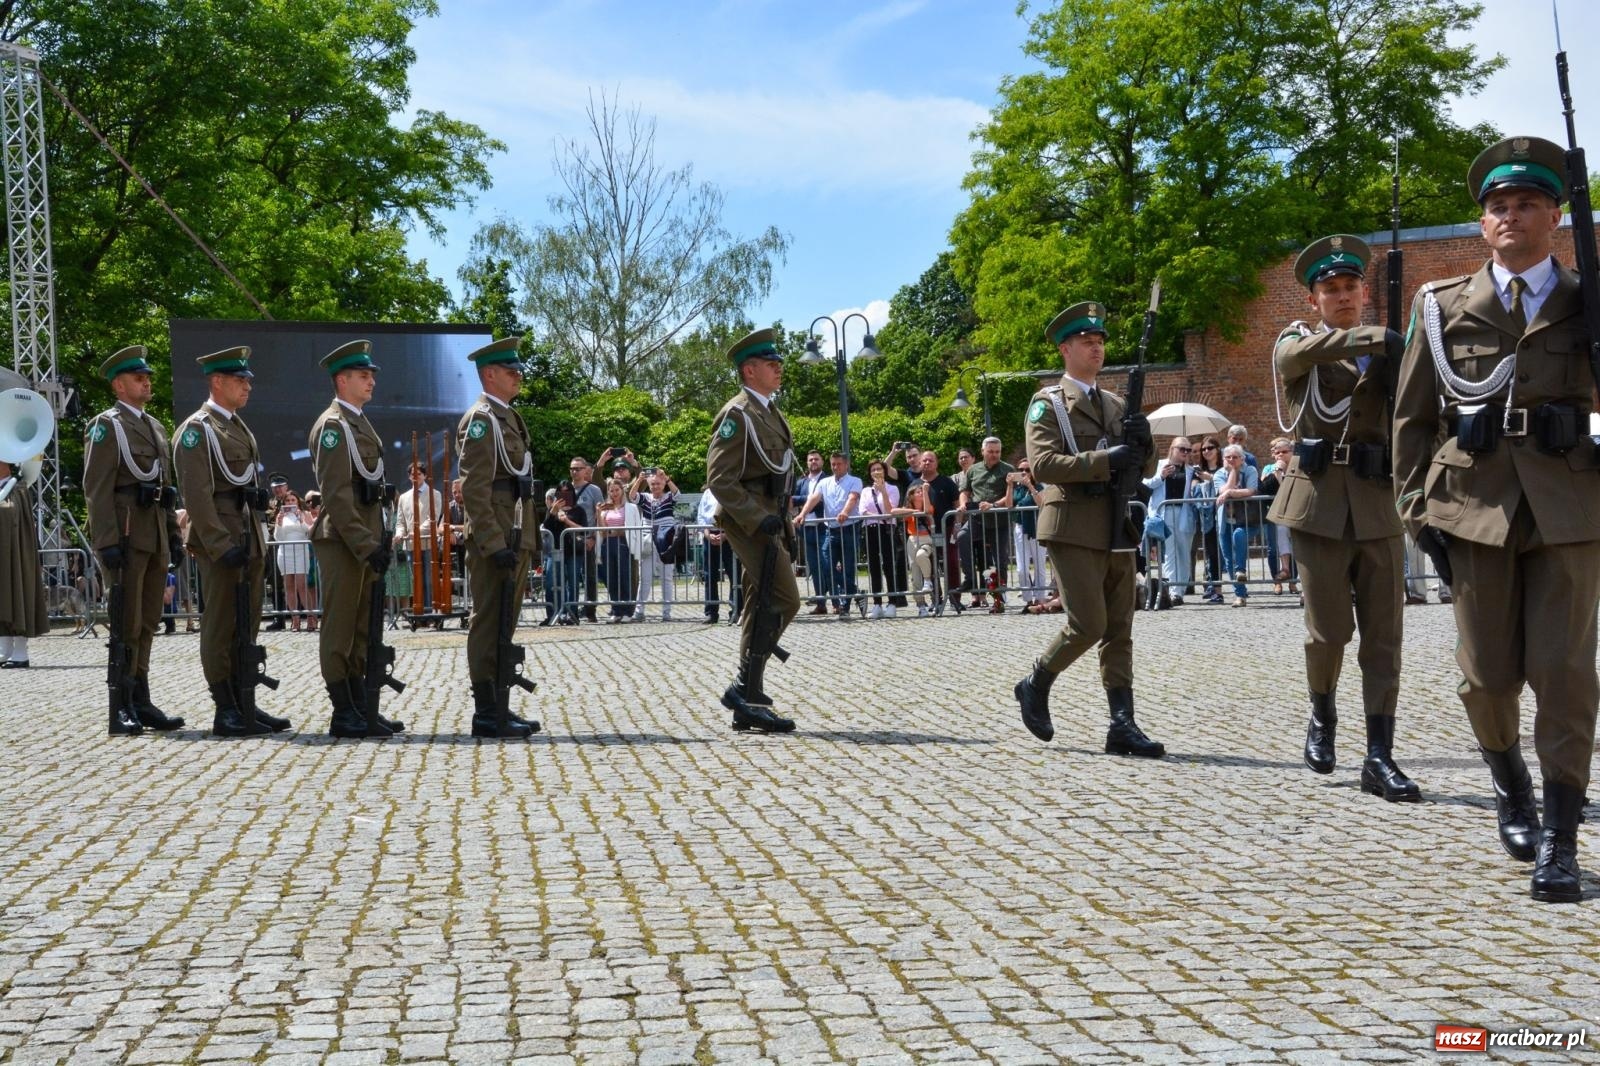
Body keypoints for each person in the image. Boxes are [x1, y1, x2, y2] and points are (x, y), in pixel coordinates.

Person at [1393, 135, 1598, 902]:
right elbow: (1412, 420)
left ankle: (1560, 838)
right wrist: (1416, 510)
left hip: (1570, 508)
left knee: (1566, 675)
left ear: (1555, 217)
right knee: (1485, 678)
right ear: (1483, 224)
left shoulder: (1587, 300)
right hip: (1475, 507)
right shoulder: (1442, 305)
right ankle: (1511, 786)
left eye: (1528, 203)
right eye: (1498, 206)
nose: (1511, 215)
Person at [1272, 235, 1416, 802]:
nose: (1342, 295)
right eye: (1329, 289)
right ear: (1313, 300)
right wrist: (1378, 338)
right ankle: (1322, 713)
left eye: (1351, 286)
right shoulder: (1297, 342)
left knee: (1384, 637)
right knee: (1329, 631)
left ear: (1364, 292)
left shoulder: (1390, 351)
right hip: (1319, 503)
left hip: (1378, 502)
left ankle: (1379, 754)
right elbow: (1292, 359)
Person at [1012, 300, 1163, 756]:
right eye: (1086, 341)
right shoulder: (1048, 404)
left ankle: (1122, 724)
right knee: (1088, 623)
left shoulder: (1116, 404)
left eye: (1099, 341)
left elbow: (1142, 466)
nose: (1096, 348)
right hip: (1071, 523)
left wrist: (1144, 445)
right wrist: (1105, 459)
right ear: (1065, 349)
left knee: (1120, 627)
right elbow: (1043, 464)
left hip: (1116, 523)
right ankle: (1036, 681)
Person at [172, 346, 288, 736]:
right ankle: (225, 707)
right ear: (217, 382)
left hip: (247, 535)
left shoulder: (237, 426)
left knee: (247, 622)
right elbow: (197, 496)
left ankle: (244, 699)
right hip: (221, 541)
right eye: (240, 380)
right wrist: (220, 545)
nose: (247, 386)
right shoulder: (197, 430)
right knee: (221, 624)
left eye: (248, 380)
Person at [81, 346, 185, 731]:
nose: (146, 383)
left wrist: (172, 534)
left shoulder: (155, 427)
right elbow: (96, 488)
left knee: (148, 620)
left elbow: (164, 489)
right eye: (138, 378)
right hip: (125, 535)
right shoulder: (106, 426)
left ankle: (141, 698)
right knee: (126, 620)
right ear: (118, 385)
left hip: (153, 534)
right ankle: (120, 703)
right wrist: (105, 540)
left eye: (147, 377)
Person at [705, 327, 801, 732]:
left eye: (778, 362)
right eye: (770, 363)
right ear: (749, 370)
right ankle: (744, 687)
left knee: (759, 605)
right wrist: (756, 517)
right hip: (751, 521)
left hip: (770, 517)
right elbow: (719, 478)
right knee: (785, 600)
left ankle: (749, 698)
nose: (779, 368)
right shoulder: (737, 414)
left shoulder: (769, 411)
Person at [308, 340, 404, 738]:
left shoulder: (359, 422)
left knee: (363, 626)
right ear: (342, 379)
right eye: (363, 375)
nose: (371, 381)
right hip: (343, 540)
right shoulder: (333, 427)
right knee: (341, 627)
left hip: (365, 537)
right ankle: (343, 709)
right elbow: (336, 495)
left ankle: (361, 704)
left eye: (371, 375)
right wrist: (366, 545)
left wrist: (377, 540)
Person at [457, 335, 541, 738]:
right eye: (511, 371)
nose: (518, 376)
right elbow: (474, 489)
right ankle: (487, 711)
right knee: (489, 620)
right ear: (489, 374)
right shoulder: (481, 420)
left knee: (505, 621)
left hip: (515, 532)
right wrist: (493, 542)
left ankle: (500, 704)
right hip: (496, 537)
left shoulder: (509, 417)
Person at [794, 452, 862, 617]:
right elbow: (813, 499)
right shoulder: (824, 482)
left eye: (839, 464)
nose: (835, 467)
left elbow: (853, 498)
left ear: (846, 465)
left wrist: (845, 512)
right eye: (833, 464)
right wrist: (802, 514)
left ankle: (845, 607)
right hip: (830, 530)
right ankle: (855, 592)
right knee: (825, 566)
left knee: (848, 568)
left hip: (849, 528)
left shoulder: (855, 481)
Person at [959, 436, 1016, 613]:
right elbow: (965, 491)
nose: (994, 455)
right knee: (962, 536)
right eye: (991, 451)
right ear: (983, 451)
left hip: (999, 521)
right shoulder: (973, 470)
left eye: (997, 452)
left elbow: (1010, 496)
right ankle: (970, 578)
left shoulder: (1008, 469)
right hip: (977, 518)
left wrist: (993, 505)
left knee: (1000, 560)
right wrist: (963, 503)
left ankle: (999, 599)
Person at [0, 458, 47, 669]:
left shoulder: (17, 488)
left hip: (13, 555)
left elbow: (13, 517)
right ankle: (4, 649)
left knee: (17, 596)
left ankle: (20, 652)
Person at [1142, 436, 1197, 607]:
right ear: (1172, 449)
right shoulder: (1159, 465)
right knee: (1169, 553)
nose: (1185, 453)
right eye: (1182, 449)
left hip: (1184, 514)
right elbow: (1146, 484)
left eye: (1188, 450)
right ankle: (1173, 591)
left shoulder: (1191, 470)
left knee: (1184, 553)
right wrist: (1161, 476)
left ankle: (1180, 590)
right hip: (1164, 512)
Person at [856, 459, 907, 618]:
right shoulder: (866, 491)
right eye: (873, 470)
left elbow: (890, 509)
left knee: (889, 565)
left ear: (884, 471)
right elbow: (862, 511)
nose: (876, 472)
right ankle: (877, 603)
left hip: (886, 530)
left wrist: (883, 491)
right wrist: (879, 516)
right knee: (874, 567)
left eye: (879, 469)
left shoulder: (893, 488)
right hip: (870, 529)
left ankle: (892, 603)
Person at [394, 460, 443, 616]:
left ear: (425, 476)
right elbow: (400, 522)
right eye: (412, 474)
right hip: (410, 545)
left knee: (427, 580)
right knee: (415, 580)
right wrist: (399, 533)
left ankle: (429, 614)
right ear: (409, 477)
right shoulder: (403, 497)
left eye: (419, 474)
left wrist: (417, 532)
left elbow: (432, 519)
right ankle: (419, 613)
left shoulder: (435, 494)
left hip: (427, 543)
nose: (415, 477)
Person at [1213, 443, 1258, 607]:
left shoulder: (1250, 470)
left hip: (1247, 519)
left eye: (1235, 457)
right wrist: (1233, 472)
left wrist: (1231, 493)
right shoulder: (1219, 473)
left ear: (1242, 459)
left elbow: (1251, 490)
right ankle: (1240, 594)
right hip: (1225, 521)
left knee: (1238, 535)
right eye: (1228, 457)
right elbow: (1222, 490)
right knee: (1228, 558)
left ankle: (1241, 570)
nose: (1231, 460)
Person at [917, 450, 962, 613]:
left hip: (947, 528)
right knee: (929, 566)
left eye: (931, 460)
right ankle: (936, 599)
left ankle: (955, 599)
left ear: (937, 463)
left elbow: (957, 505)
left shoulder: (947, 482)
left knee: (952, 563)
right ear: (920, 463)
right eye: (924, 460)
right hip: (924, 532)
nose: (927, 463)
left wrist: (957, 526)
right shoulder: (915, 484)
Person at [633, 467, 679, 621]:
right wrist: (639, 480)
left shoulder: (668, 497)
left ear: (663, 484)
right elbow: (632, 496)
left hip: (666, 541)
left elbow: (678, 495)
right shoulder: (645, 497)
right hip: (648, 541)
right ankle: (639, 611)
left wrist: (667, 478)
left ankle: (666, 612)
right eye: (652, 484)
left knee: (667, 578)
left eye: (658, 484)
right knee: (645, 578)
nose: (655, 487)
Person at [596, 477, 640, 622]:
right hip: (608, 544)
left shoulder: (630, 507)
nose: (614, 493)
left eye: (617, 490)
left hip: (623, 544)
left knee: (624, 577)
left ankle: (628, 611)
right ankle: (616, 610)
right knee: (612, 578)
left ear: (622, 490)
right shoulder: (606, 509)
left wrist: (615, 531)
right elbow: (602, 530)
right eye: (611, 491)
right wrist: (598, 513)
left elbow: (629, 528)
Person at [1258, 438, 1297, 596]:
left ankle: (1294, 581)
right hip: (1277, 514)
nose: (1280, 455)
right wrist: (1277, 472)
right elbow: (1264, 489)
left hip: (1295, 513)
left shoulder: (1297, 468)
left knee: (1297, 548)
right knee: (1274, 547)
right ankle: (1279, 579)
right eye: (1277, 452)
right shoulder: (1271, 469)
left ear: (1292, 453)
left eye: (1284, 452)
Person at [791, 449, 829, 613]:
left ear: (822, 462)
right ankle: (821, 603)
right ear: (807, 463)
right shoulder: (802, 482)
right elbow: (791, 499)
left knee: (827, 564)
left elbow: (822, 501)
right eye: (810, 460)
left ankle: (837, 602)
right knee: (814, 567)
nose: (813, 462)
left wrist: (805, 500)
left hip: (823, 527)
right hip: (806, 529)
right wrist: (809, 499)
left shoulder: (828, 480)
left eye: (816, 459)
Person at [1010, 457, 1049, 611]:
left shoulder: (1039, 486)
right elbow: (1009, 505)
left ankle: (1040, 598)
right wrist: (1009, 485)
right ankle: (1028, 599)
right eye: (1021, 470)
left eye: (1027, 470)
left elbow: (1041, 503)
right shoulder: (1017, 489)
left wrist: (1031, 486)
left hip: (1037, 527)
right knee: (1022, 568)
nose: (1024, 472)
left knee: (1039, 565)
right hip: (1020, 527)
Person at [274, 491, 315, 631]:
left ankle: (311, 618)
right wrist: (279, 523)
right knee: (289, 586)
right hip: (285, 553)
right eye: (288, 500)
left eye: (293, 500)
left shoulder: (305, 514)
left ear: (297, 501)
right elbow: (278, 537)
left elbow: (308, 532)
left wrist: (301, 519)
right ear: (284, 503)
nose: (290, 502)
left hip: (300, 552)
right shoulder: (281, 515)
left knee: (302, 586)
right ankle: (295, 620)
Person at [1189, 436, 1223, 603]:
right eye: (1204, 449)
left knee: (1222, 552)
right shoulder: (1199, 470)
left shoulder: (1224, 468)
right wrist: (1197, 483)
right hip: (1206, 515)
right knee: (1210, 552)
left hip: (1224, 514)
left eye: (1210, 448)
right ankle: (1214, 587)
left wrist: (1211, 479)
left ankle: (1234, 588)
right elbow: (1192, 489)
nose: (1206, 451)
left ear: (1217, 450)